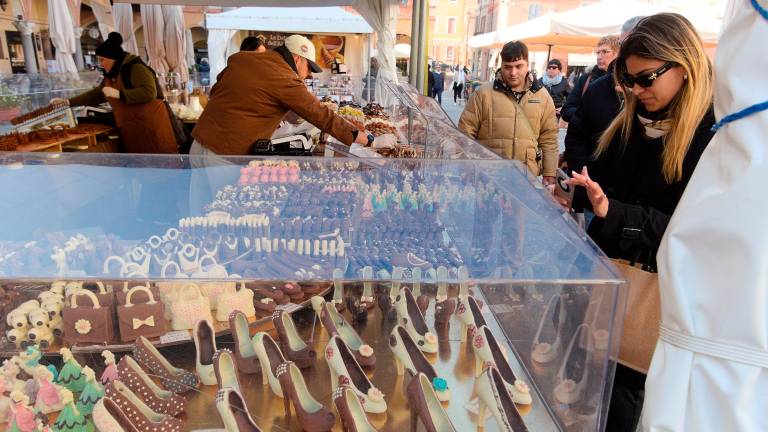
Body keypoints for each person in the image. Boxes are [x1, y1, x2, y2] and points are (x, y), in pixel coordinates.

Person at [563, 13, 714, 432]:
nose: (635, 90)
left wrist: (615, 213)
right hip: (606, 288)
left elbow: (693, 234)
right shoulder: (629, 121)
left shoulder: (712, 137)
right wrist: (574, 191)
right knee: (593, 397)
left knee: (627, 407)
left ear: (682, 66)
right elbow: (605, 185)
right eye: (628, 80)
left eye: (646, 78)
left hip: (657, 304)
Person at [192, 34, 387, 156]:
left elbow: (219, 90)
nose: (309, 73)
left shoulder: (242, 59)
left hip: (198, 143)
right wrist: (370, 140)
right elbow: (322, 116)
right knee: (228, 218)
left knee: (197, 219)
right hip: (226, 153)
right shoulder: (285, 77)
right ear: (296, 59)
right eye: (309, 67)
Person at [563, 16, 643, 213]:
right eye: (628, 43)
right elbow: (575, 135)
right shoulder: (596, 87)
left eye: (604, 52)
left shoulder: (664, 97)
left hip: (636, 209)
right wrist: (587, 176)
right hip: (595, 196)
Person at [458, 41, 558, 183]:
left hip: (526, 178)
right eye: (508, 67)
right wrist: (465, 169)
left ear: (527, 65)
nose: (513, 73)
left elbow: (549, 138)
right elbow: (465, 134)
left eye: (519, 66)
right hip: (488, 177)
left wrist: (549, 173)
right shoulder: (483, 95)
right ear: (501, 66)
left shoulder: (542, 97)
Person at [62, 32, 177, 154]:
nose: (100, 64)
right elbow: (97, 95)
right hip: (132, 131)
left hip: (153, 130)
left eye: (102, 60)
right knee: (139, 168)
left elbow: (149, 92)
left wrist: (119, 94)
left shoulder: (136, 68)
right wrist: (68, 102)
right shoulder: (111, 74)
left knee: (161, 166)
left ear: (113, 59)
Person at [561, 35, 620, 122]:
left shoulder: (626, 79)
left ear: (618, 54)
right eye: (598, 52)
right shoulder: (586, 78)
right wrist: (588, 115)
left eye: (605, 52)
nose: (599, 57)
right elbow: (566, 110)